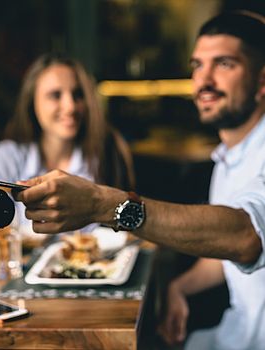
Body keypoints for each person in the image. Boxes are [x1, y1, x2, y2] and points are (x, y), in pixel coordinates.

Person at [14, 11, 265, 350]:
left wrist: (102, 205)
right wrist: (179, 286)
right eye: (196, 65)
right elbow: (228, 251)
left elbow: (246, 236)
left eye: (224, 64)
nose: (203, 80)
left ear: (262, 81)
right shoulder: (227, 158)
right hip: (231, 334)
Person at [0, 53, 135, 229]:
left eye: (78, 94)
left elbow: (125, 228)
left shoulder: (108, 152)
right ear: (31, 102)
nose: (70, 106)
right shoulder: (8, 155)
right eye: (55, 95)